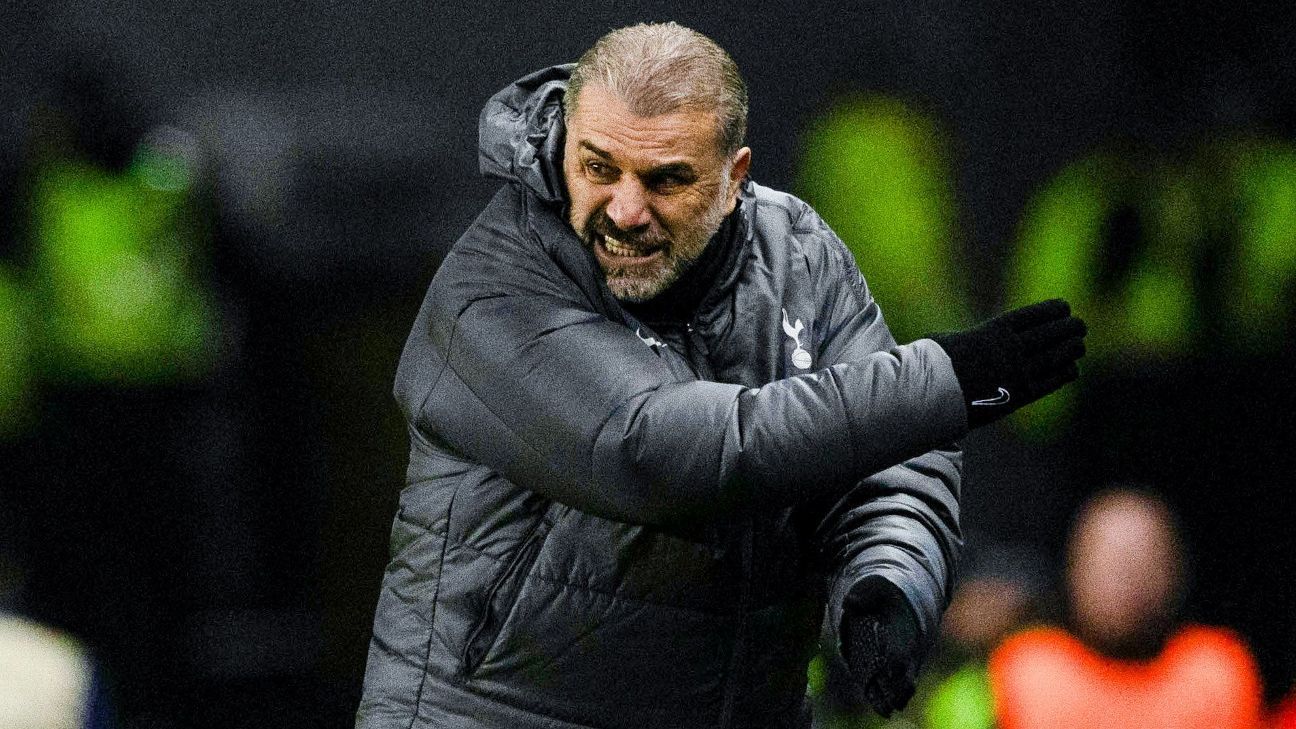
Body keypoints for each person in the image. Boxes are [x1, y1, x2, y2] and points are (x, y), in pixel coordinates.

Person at [356, 22, 1086, 729]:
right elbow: (654, 450)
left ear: (734, 178)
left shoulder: (798, 255)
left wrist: (888, 583)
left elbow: (889, 462)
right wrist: (948, 377)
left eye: (667, 179)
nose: (626, 209)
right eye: (599, 168)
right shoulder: (498, 279)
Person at [989, 488, 1263, 729]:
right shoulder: (1027, 670)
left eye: (1144, 562)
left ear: (1175, 572)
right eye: (1110, 564)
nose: (1128, 582)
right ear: (1073, 570)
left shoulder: (1215, 672)